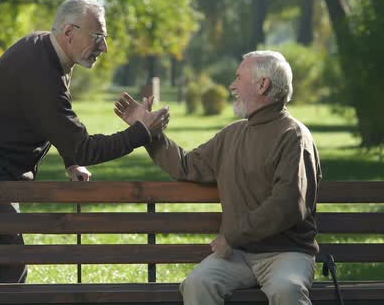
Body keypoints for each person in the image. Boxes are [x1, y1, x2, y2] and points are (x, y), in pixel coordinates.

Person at [0, 0, 169, 284]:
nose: (105, 47)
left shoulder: (49, 53)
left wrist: (71, 161)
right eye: (98, 36)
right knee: (9, 262)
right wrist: (141, 131)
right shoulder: (41, 70)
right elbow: (84, 147)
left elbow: (53, 121)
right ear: (68, 32)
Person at [115, 51, 321, 305]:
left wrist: (232, 236)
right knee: (196, 285)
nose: (232, 86)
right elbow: (186, 165)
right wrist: (148, 132)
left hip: (287, 254)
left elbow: (288, 203)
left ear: (262, 84)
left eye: (238, 78)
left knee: (286, 290)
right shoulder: (233, 134)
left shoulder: (294, 136)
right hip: (239, 254)